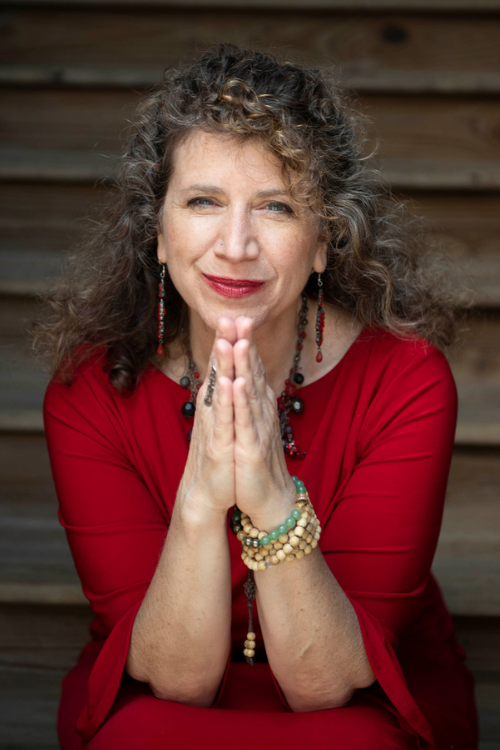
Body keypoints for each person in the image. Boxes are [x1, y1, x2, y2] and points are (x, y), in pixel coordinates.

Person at [35, 43, 478, 749]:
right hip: (169, 684)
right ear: (158, 232)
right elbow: (177, 680)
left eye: (276, 206)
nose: (236, 244)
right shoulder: (88, 391)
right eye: (203, 201)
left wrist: (272, 500)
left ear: (324, 241)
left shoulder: (404, 380)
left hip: (349, 693)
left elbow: (326, 685)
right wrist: (201, 498)